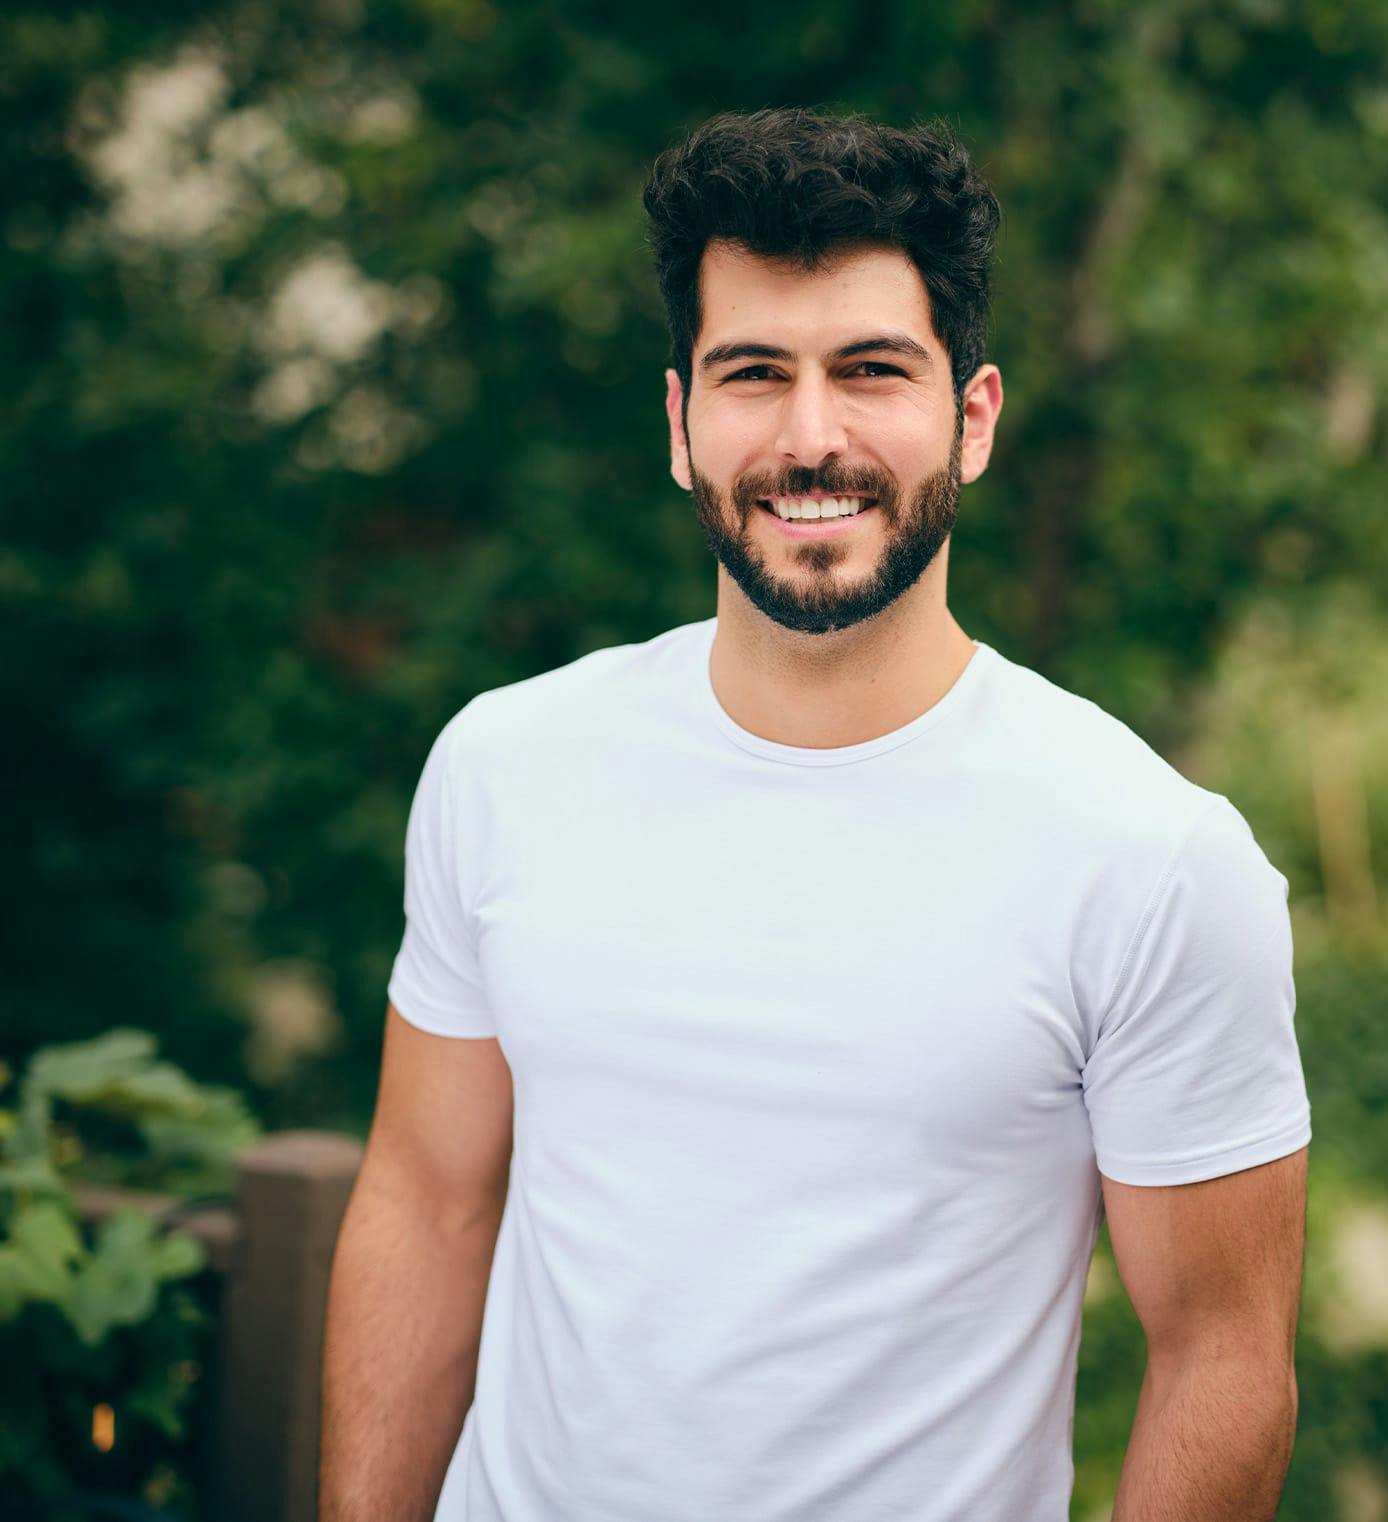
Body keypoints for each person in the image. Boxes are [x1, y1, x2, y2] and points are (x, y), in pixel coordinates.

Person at [320, 107, 1311, 1522]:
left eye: (870, 371)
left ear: (971, 417)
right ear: (679, 424)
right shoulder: (505, 764)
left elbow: (1223, 1356)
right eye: (752, 374)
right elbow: (424, 1201)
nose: (809, 436)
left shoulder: (1150, 858)